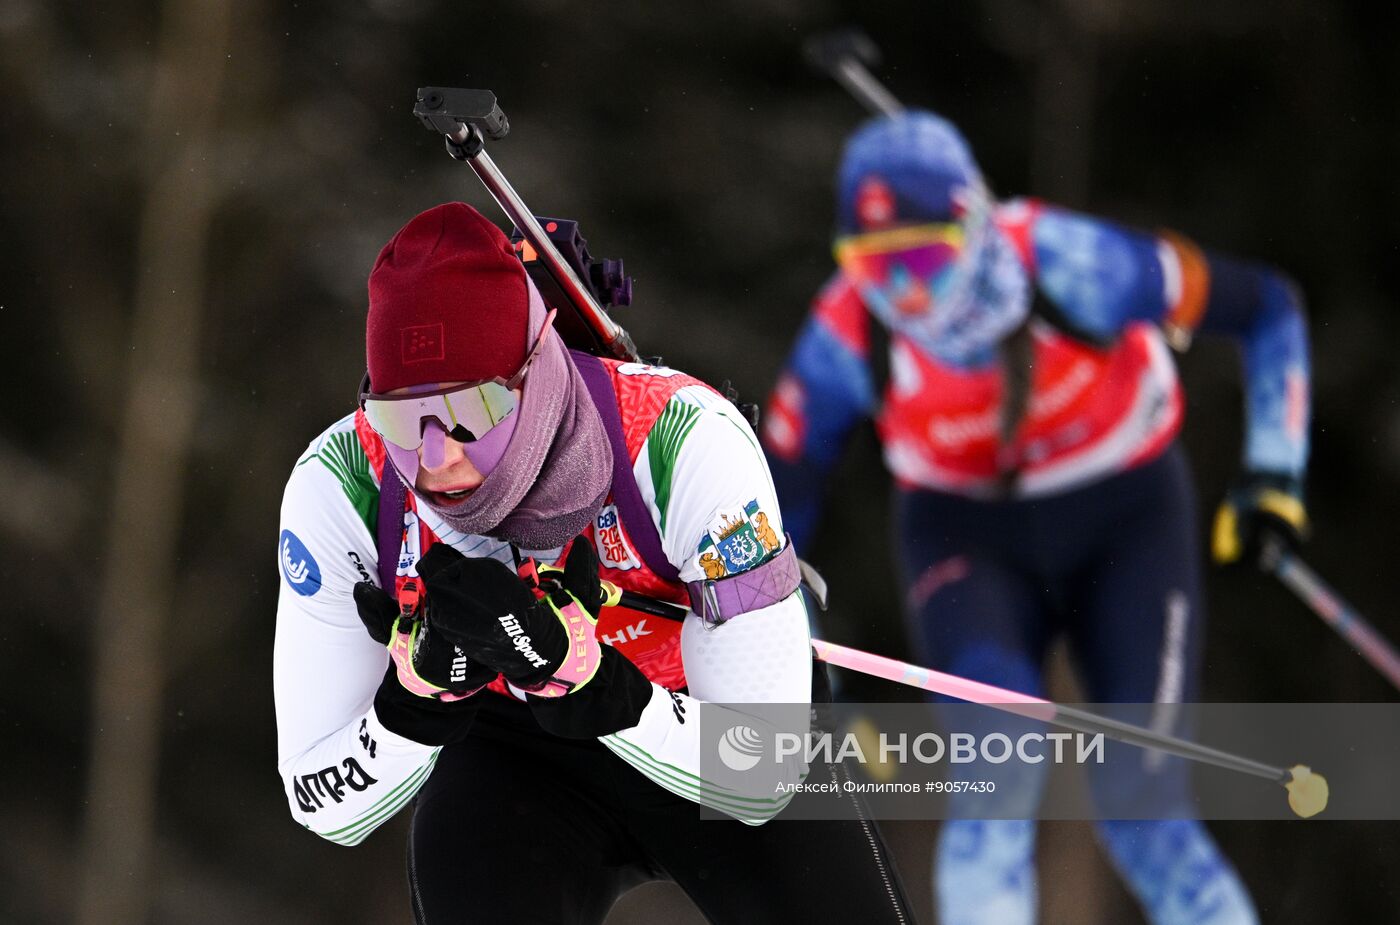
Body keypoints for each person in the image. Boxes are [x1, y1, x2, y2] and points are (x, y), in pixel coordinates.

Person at [273, 202, 917, 924]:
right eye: (398, 416)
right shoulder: (344, 483)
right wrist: (418, 703)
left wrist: (592, 684)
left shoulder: (680, 438)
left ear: (533, 372)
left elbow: (763, 770)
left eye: (469, 413)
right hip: (517, 762)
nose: (435, 457)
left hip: (704, 718)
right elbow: (320, 800)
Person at [760, 111, 1312, 925]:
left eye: (922, 257)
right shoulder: (847, 331)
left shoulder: (1073, 262)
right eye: (873, 265)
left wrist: (1273, 475)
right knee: (997, 768)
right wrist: (798, 654)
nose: (903, 292)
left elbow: (1267, 307)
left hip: (1126, 516)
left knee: (1141, 798)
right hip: (965, 532)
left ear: (973, 225)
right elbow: (778, 495)